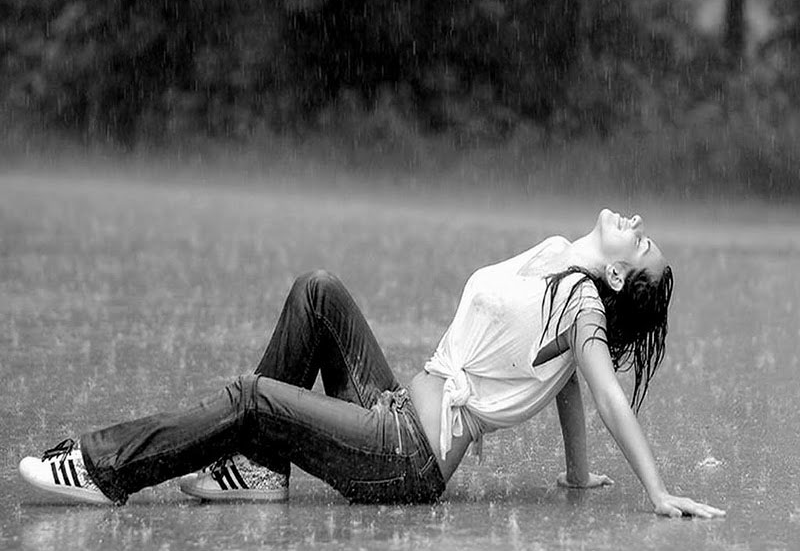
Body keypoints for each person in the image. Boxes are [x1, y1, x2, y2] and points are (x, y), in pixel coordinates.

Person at [19, 209, 725, 518]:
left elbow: (600, 391)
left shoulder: (587, 311)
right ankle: (264, 472)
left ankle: (101, 468)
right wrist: (573, 473)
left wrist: (658, 493)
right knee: (318, 292)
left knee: (252, 396)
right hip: (391, 410)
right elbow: (567, 381)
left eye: (644, 243)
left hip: (405, 460)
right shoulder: (564, 271)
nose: (636, 225)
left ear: (620, 281)